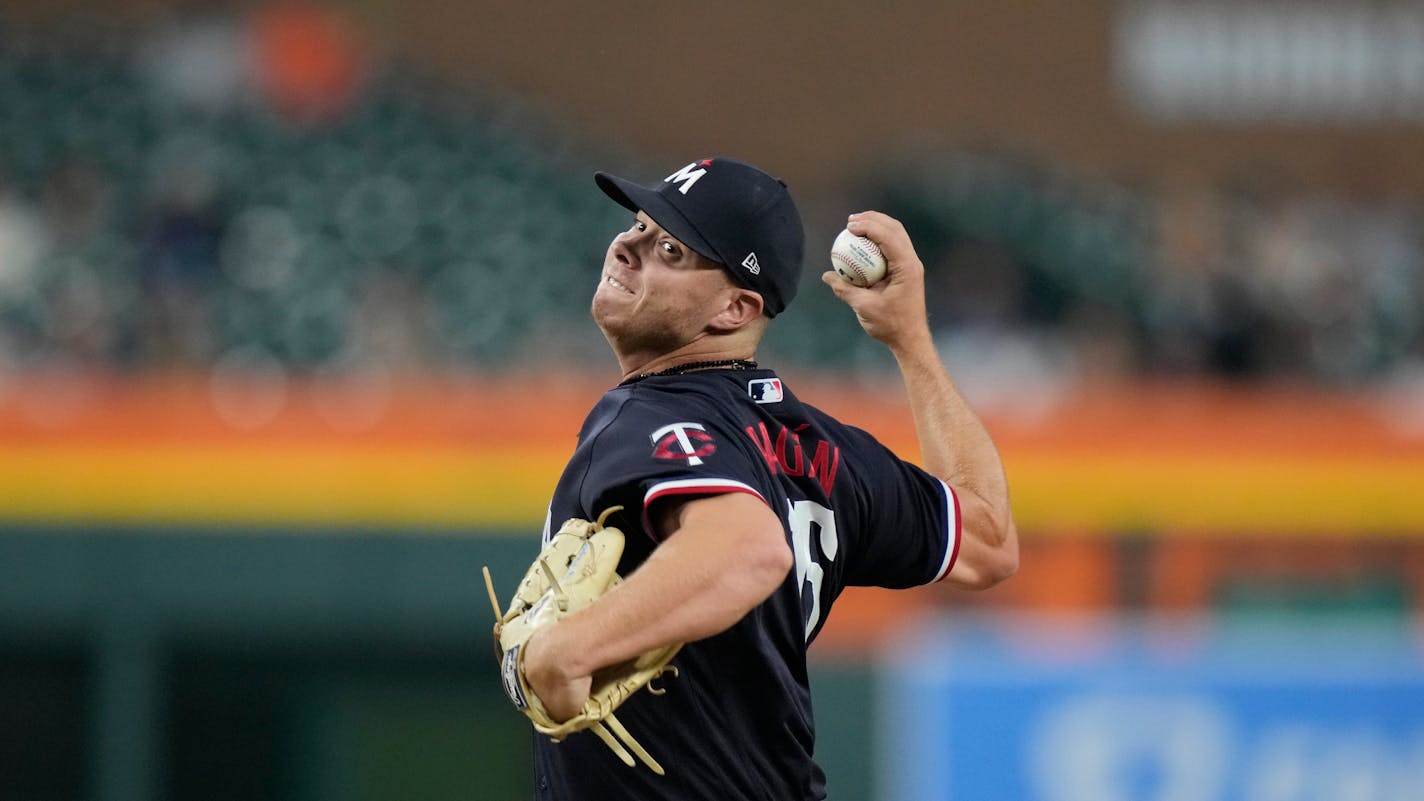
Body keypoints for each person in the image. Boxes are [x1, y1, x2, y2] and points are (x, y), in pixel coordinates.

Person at [517, 157, 1018, 800]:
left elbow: (749, 550)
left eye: (669, 248)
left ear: (734, 308)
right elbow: (987, 540)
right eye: (638, 226)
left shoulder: (647, 414)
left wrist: (568, 649)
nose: (628, 245)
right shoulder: (821, 450)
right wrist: (910, 340)